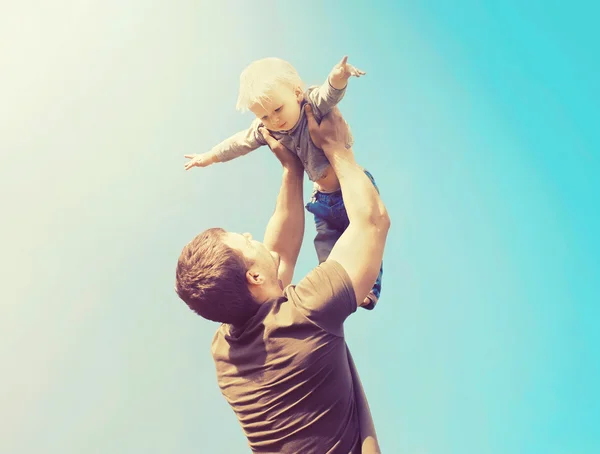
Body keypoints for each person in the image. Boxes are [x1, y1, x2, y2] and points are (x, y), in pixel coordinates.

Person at [175, 105, 390, 453]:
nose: (250, 234)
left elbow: (279, 256)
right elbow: (373, 222)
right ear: (253, 275)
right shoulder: (306, 313)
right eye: (244, 240)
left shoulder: (226, 353)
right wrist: (337, 149)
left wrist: (292, 169)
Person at [183, 56, 383, 307]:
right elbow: (238, 143)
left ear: (297, 92)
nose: (274, 120)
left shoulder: (311, 105)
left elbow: (329, 93)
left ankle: (369, 286)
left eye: (277, 109)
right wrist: (209, 156)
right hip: (321, 199)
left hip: (348, 190)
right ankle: (339, 285)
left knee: (365, 236)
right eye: (265, 117)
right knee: (326, 242)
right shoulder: (267, 129)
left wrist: (338, 77)